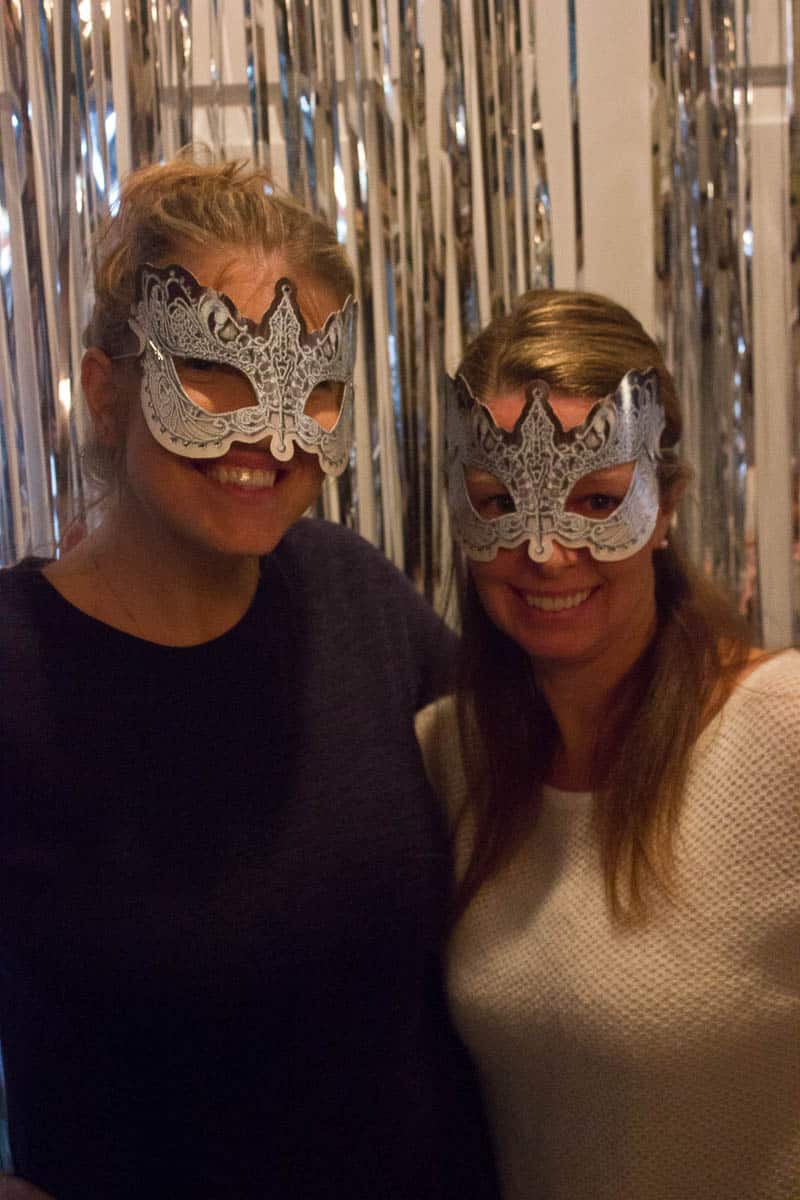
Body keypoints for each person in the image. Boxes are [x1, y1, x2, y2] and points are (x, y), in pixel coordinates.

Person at [0, 157, 499, 1200]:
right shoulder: (16, 668)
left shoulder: (352, 594)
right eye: (212, 372)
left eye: (312, 385)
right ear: (106, 392)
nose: (271, 431)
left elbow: (538, 790)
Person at [416, 289, 800, 1200]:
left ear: (663, 508)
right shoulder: (451, 755)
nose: (546, 552)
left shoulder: (783, 733)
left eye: (595, 500)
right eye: (500, 501)